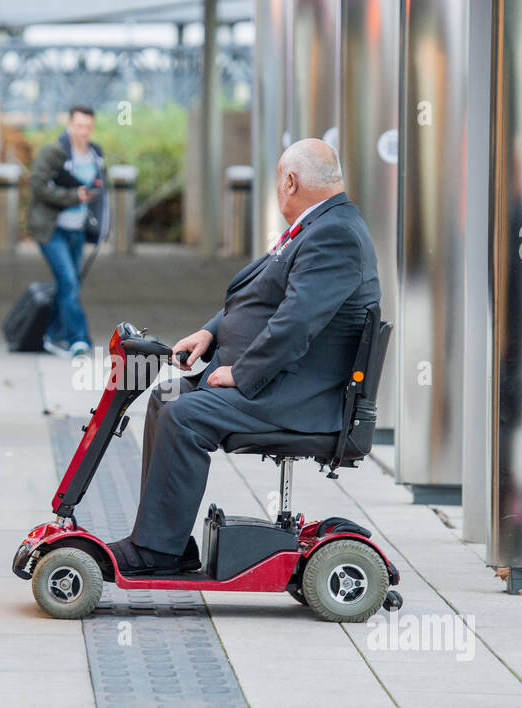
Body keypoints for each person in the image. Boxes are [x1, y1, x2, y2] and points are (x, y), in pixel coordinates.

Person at [108, 139, 381, 576]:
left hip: (299, 395)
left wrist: (242, 374)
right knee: (168, 399)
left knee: (185, 415)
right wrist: (210, 332)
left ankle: (157, 552)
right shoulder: (322, 225)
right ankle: (164, 542)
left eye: (279, 181)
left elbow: (295, 323)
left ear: (290, 182)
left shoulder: (335, 235)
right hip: (283, 380)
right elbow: (262, 293)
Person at [27, 104, 107, 359]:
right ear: (69, 124)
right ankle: (79, 340)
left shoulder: (96, 154)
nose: (84, 132)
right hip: (52, 229)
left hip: (78, 230)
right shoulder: (55, 151)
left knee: (68, 285)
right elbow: (37, 185)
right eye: (79, 126)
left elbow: (99, 190)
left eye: (88, 127)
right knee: (70, 282)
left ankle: (52, 336)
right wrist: (73, 196)